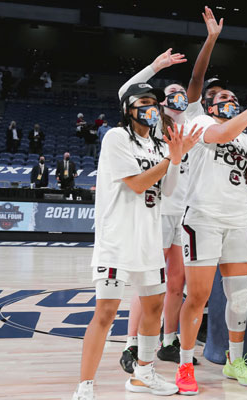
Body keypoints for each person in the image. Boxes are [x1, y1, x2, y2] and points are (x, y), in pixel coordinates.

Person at [72, 82, 200, 400]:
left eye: (155, 102)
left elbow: (168, 191)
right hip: (118, 240)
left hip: (148, 241)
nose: (152, 107)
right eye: (144, 101)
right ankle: (85, 387)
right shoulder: (116, 138)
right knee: (105, 313)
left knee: (154, 307)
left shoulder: (158, 147)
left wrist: (175, 157)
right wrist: (171, 158)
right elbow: (138, 183)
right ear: (129, 108)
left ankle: (143, 374)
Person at [117, 10, 223, 383]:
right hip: (157, 210)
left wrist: (210, 41)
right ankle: (130, 345)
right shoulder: (156, 125)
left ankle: (168, 338)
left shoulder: (193, 120)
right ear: (162, 103)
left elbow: (197, 77)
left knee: (176, 283)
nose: (180, 95)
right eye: (171, 94)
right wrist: (154, 66)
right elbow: (124, 93)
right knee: (149, 283)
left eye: (183, 94)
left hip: (186, 212)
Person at [178, 85, 247, 391]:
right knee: (198, 297)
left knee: (239, 298)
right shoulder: (200, 123)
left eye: (233, 98)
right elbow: (223, 135)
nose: (230, 101)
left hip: (240, 217)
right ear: (211, 106)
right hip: (203, 217)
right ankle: (185, 365)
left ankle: (234, 361)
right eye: (223, 98)